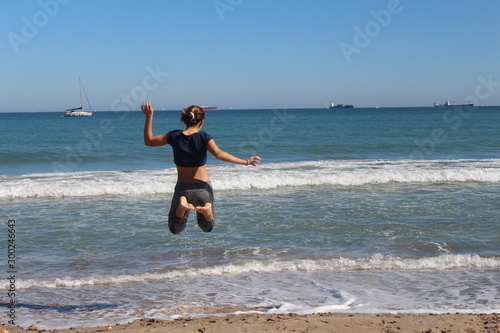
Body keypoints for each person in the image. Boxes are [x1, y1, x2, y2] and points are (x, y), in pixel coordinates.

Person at [141, 102, 261, 234]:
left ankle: (182, 206)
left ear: (185, 120)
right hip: (203, 187)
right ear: (201, 122)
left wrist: (149, 117)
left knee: (175, 228)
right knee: (207, 226)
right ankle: (207, 211)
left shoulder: (174, 136)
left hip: (183, 188)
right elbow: (219, 154)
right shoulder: (204, 137)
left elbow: (149, 141)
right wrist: (246, 162)